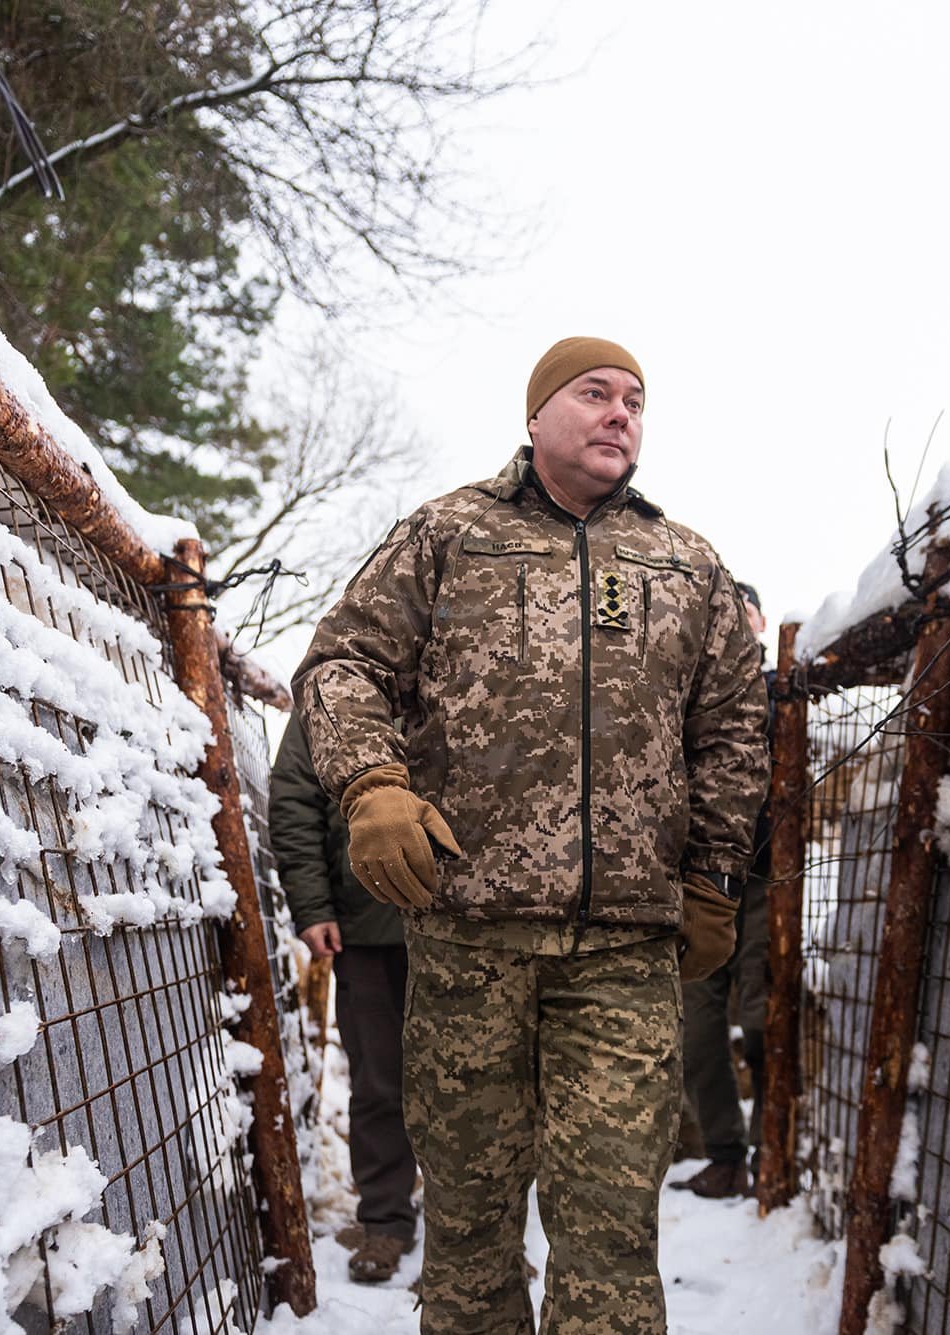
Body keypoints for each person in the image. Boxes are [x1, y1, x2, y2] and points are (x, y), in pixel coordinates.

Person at [293, 336, 769, 1334]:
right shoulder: (445, 536)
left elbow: (730, 727)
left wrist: (714, 875)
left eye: (634, 400)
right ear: (535, 414)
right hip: (468, 940)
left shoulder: (687, 566)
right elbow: (340, 666)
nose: (618, 413)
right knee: (468, 1234)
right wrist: (373, 788)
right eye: (593, 392)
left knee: (608, 1241)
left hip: (626, 951)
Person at [266, 711, 417, 1283]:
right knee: (380, 1081)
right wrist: (314, 905)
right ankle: (385, 1222)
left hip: (473, 922)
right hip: (368, 922)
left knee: (487, 1081)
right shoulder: (332, 685)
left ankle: (481, 1235)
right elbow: (295, 801)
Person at [670, 581, 772, 1200]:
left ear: (760, 620)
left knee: (761, 1019)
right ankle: (727, 1155)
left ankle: (771, 1149)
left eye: (745, 610)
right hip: (698, 880)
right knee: (698, 1031)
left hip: (766, 883)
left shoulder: (785, 689)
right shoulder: (688, 689)